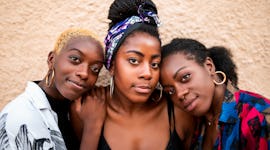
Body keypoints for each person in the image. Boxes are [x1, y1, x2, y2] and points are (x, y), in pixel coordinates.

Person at [78, 0, 195, 149]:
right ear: (112, 65)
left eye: (154, 64)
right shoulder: (87, 108)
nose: (147, 74)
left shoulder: (178, 112)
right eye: (134, 60)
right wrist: (92, 126)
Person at [0, 28, 106, 150]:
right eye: (75, 59)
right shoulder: (23, 117)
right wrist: (92, 127)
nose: (85, 74)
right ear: (52, 60)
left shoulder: (76, 109)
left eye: (95, 69)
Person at [160, 38, 270, 150]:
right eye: (170, 91)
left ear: (209, 67)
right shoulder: (196, 124)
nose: (179, 94)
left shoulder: (260, 116)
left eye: (185, 77)